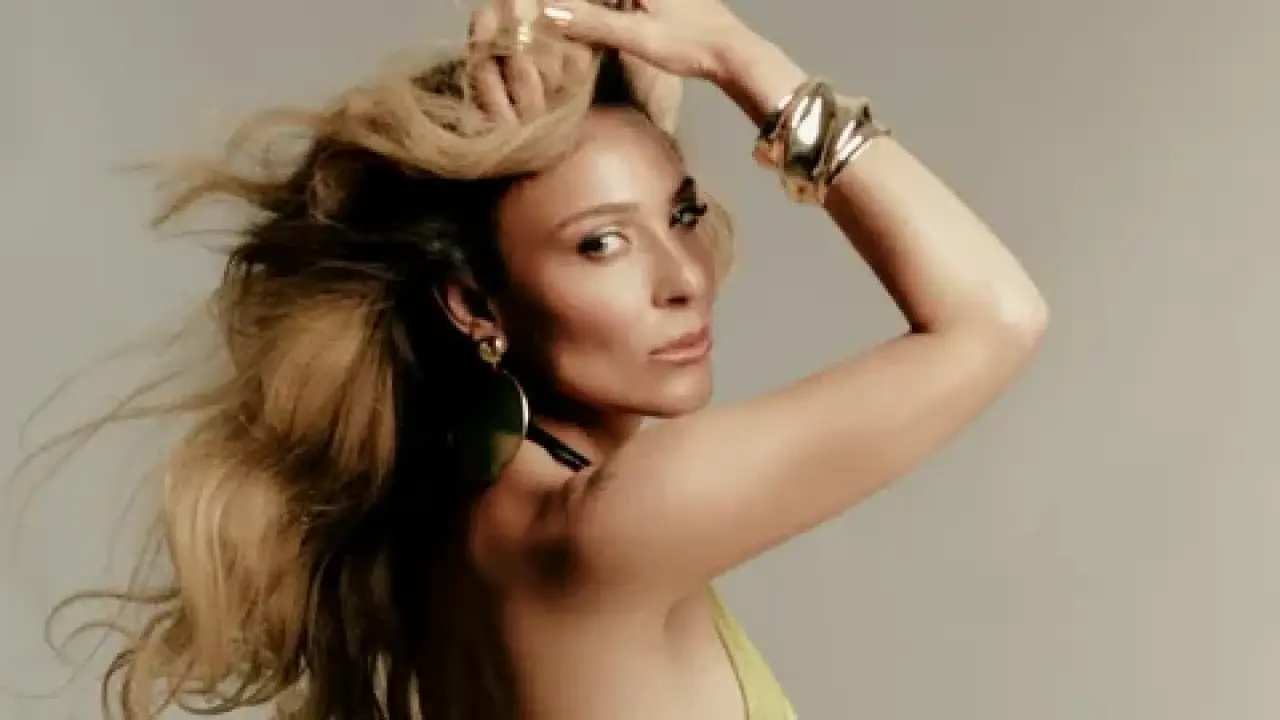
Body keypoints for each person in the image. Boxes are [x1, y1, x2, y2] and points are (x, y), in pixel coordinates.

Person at [52, 0, 1048, 718]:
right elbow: (993, 317)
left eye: (682, 215)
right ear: (473, 304)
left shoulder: (456, 519)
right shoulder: (617, 525)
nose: (683, 278)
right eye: (602, 245)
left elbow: (576, 196)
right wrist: (741, 58)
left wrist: (601, 48)